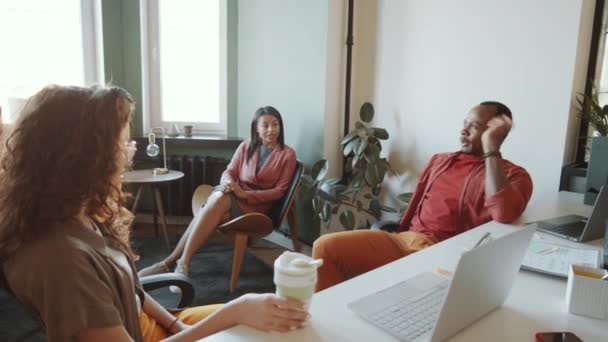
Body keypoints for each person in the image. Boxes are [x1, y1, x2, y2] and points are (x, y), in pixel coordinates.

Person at [0, 85, 307, 341]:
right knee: (267, 328)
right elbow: (230, 172)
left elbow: (134, 293)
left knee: (279, 322)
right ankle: (179, 260)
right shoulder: (61, 262)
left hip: (250, 214)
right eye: (120, 144)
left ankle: (175, 259)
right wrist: (235, 310)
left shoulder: (82, 215)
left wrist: (176, 324)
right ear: (80, 158)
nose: (128, 153)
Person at [312, 101, 533, 291]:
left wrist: (491, 151)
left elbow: (504, 212)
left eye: (473, 127)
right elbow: (414, 207)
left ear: (494, 135)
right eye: (464, 124)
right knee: (325, 247)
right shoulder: (440, 160)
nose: (463, 131)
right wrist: (400, 232)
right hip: (405, 242)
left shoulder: (514, 175)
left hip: (446, 256)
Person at [138, 106, 297, 279]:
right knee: (214, 205)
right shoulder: (246, 146)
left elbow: (279, 192)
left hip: (256, 208)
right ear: (256, 128)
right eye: (265, 125)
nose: (271, 130)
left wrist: (245, 195)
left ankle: (172, 263)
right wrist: (228, 183)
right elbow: (229, 171)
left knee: (209, 208)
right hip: (233, 196)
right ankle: (178, 264)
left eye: (275, 125)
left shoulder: (287, 155)